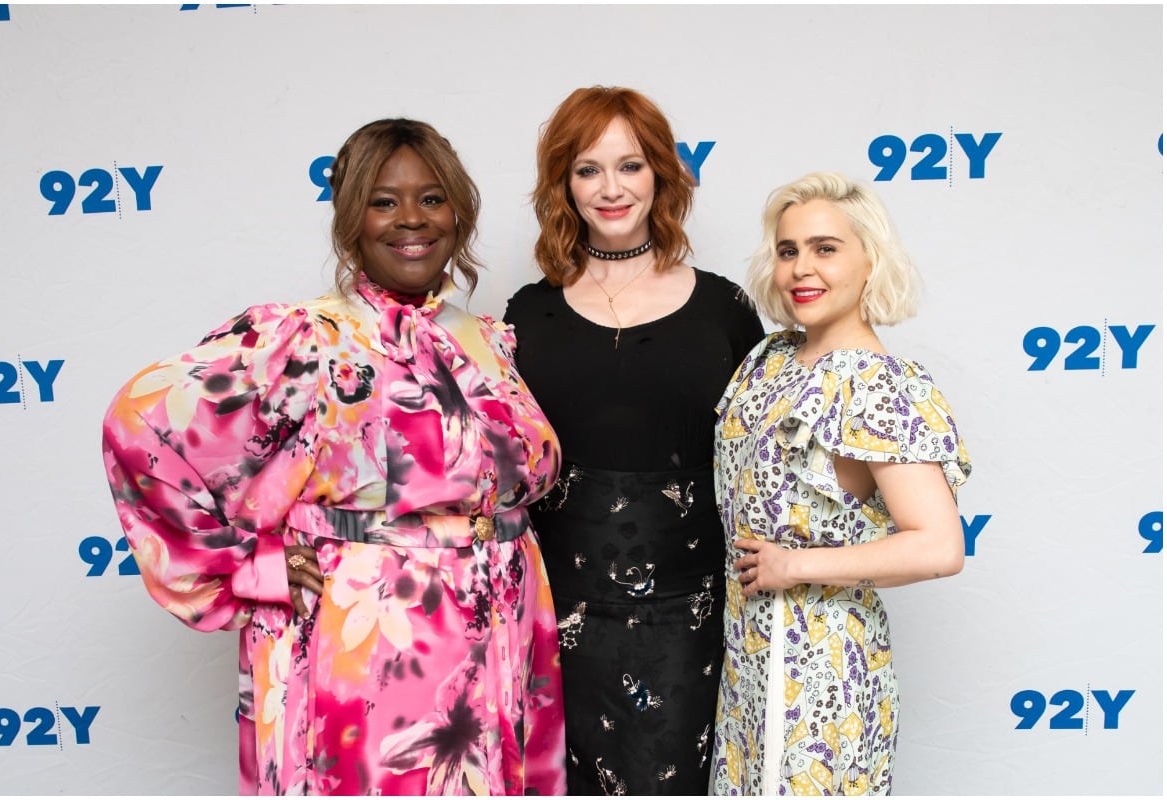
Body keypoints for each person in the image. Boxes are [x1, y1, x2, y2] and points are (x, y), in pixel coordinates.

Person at [101, 118, 567, 796]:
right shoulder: (307, 339)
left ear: (459, 212)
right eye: (384, 201)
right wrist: (249, 565)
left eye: (432, 198)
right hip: (376, 643)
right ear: (351, 218)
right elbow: (141, 426)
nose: (411, 218)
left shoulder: (487, 340)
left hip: (505, 632)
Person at [503, 86, 765, 795]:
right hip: (557, 604)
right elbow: (495, 465)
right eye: (588, 169)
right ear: (564, 183)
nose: (610, 189)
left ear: (662, 175)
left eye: (630, 166)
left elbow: (763, 461)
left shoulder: (725, 309)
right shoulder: (527, 314)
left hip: (690, 606)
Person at [711, 171, 971, 795]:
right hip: (746, 655)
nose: (803, 268)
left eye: (826, 248)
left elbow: (939, 546)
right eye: (788, 250)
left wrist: (796, 565)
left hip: (822, 664)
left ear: (869, 262)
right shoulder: (767, 359)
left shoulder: (879, 386)